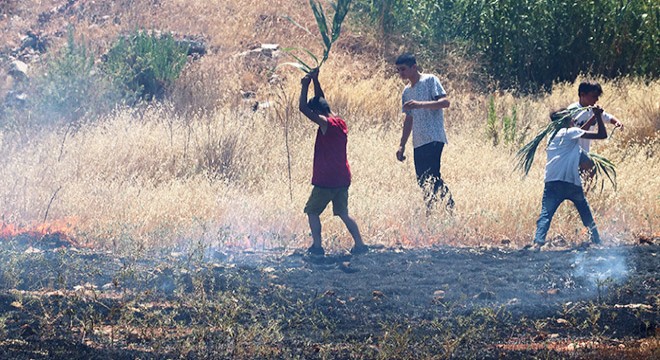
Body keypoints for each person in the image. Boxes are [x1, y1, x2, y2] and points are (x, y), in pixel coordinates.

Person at [298, 69, 368, 256]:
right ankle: (360, 245)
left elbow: (303, 109)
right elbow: (322, 100)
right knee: (343, 213)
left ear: (318, 113)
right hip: (342, 178)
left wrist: (304, 86)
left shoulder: (325, 124)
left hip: (326, 179)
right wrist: (316, 80)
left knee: (312, 211)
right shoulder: (339, 121)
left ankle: (317, 247)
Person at [529, 106, 608, 251]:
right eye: (571, 118)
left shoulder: (552, 135)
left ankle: (537, 243)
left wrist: (593, 118)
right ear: (566, 121)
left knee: (546, 214)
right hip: (571, 182)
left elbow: (579, 132)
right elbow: (602, 135)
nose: (573, 120)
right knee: (585, 213)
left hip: (552, 181)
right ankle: (596, 241)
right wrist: (598, 116)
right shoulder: (570, 132)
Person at [394, 53, 454, 212]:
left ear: (414, 67)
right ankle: (431, 212)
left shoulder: (430, 80)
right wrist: (401, 145)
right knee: (422, 180)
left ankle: (450, 209)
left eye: (403, 69)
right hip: (418, 141)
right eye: (398, 70)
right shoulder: (406, 91)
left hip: (433, 137)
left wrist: (419, 104)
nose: (401, 73)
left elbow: (445, 102)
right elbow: (408, 119)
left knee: (433, 176)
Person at [567, 81, 623, 180]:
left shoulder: (593, 109)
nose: (596, 99)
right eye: (593, 96)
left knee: (587, 177)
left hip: (585, 152)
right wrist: (594, 117)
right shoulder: (572, 111)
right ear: (582, 95)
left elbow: (607, 117)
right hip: (572, 154)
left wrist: (617, 122)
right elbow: (576, 134)